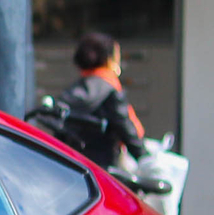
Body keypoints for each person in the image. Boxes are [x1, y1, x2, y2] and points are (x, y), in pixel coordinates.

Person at [57, 31, 147, 169]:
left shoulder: (71, 92)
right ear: (109, 60)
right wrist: (148, 160)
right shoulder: (110, 90)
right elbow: (129, 133)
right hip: (102, 171)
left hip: (71, 168)